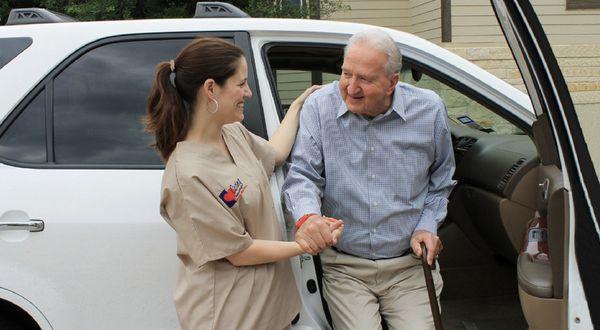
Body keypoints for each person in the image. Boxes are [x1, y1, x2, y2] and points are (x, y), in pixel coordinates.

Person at [145, 37, 342, 330]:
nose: (248, 93)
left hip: (268, 309)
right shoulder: (188, 176)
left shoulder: (233, 134)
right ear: (211, 89)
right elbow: (239, 252)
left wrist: (300, 106)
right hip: (231, 315)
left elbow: (275, 153)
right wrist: (304, 244)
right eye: (241, 84)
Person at [282, 29, 456, 329]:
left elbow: (441, 181)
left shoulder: (429, 110)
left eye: (365, 79)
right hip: (345, 268)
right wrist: (308, 218)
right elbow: (303, 176)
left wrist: (427, 226)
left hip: (409, 268)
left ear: (392, 82)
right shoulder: (319, 107)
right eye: (346, 73)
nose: (351, 87)